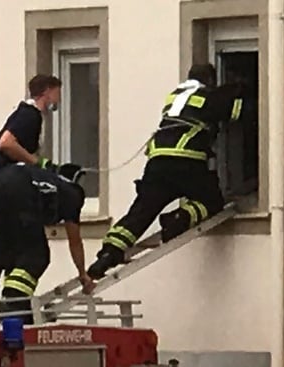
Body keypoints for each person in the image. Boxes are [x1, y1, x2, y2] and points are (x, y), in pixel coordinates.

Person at [87, 64, 247, 280]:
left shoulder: (175, 97)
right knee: (212, 201)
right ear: (209, 79)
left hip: (157, 163)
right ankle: (177, 220)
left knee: (141, 212)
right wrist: (241, 88)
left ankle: (107, 254)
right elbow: (238, 112)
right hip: (186, 161)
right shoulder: (207, 96)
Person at [0, 75, 64, 307]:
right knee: (19, 246)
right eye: (57, 92)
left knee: (6, 244)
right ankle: (5, 302)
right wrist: (35, 163)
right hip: (2, 187)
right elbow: (6, 143)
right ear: (47, 92)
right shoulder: (29, 115)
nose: (59, 99)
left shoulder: (27, 114)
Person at [0, 162, 94, 323]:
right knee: (37, 256)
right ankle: (13, 302)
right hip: (19, 190)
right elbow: (74, 240)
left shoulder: (45, 179)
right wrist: (82, 273)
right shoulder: (72, 193)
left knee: (6, 250)